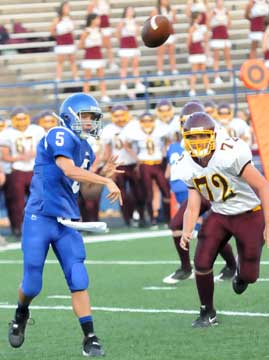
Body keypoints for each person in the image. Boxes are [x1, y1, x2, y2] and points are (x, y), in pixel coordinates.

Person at [8, 93, 123, 356]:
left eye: (93, 118)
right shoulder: (57, 134)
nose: (89, 122)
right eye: (85, 117)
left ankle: (90, 337)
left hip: (66, 220)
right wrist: (104, 180)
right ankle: (21, 313)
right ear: (70, 116)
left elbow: (87, 192)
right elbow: (68, 169)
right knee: (33, 283)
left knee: (78, 277)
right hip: (40, 217)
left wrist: (103, 176)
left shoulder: (86, 149)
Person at [174, 111, 269, 327]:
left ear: (214, 134)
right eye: (192, 138)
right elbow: (193, 204)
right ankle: (207, 311)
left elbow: (263, 186)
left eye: (202, 136)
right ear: (185, 139)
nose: (198, 143)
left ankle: (240, 275)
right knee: (201, 261)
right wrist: (187, 230)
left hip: (249, 213)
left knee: (250, 275)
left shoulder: (229, 153)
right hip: (219, 213)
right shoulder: (186, 163)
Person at [163, 101, 236, 284]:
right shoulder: (183, 141)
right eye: (185, 122)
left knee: (212, 229)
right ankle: (186, 267)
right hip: (198, 189)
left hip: (218, 188)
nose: (188, 126)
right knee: (177, 224)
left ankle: (232, 265)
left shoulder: (219, 135)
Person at [0, 106, 45, 237]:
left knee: (39, 199)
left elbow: (45, 149)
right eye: (17, 119)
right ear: (13, 120)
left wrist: (36, 154)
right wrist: (19, 157)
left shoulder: (37, 130)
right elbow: (4, 156)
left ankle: (39, 226)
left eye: (23, 118)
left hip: (35, 169)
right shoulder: (6, 133)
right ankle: (18, 228)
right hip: (16, 170)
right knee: (16, 202)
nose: (21, 122)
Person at [79, 13, 111, 103]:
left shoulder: (100, 31)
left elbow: (105, 44)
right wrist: (90, 45)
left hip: (98, 55)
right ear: (92, 20)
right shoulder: (86, 31)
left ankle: (104, 95)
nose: (99, 21)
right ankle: (85, 97)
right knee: (87, 78)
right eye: (97, 19)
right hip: (89, 56)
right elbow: (80, 45)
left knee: (101, 77)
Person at [116, 6, 145, 94]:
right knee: (124, 66)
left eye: (132, 10)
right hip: (125, 43)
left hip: (133, 43)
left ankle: (137, 82)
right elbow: (117, 32)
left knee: (135, 65)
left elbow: (137, 34)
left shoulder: (135, 22)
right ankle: (123, 84)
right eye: (128, 10)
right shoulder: (122, 21)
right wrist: (120, 42)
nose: (130, 12)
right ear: (125, 12)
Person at [187, 12, 215, 97]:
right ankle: (192, 90)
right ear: (195, 18)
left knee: (203, 71)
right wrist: (191, 50)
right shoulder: (192, 28)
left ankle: (208, 89)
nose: (200, 19)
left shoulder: (201, 28)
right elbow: (188, 41)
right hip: (194, 51)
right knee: (194, 71)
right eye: (198, 17)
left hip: (200, 50)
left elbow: (206, 39)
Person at [50, 1, 78, 81]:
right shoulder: (58, 19)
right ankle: (58, 77)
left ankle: (75, 76)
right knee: (60, 61)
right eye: (66, 7)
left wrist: (73, 39)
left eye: (68, 7)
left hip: (70, 41)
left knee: (72, 60)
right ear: (62, 9)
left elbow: (72, 31)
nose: (67, 9)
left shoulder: (70, 18)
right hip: (61, 42)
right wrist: (59, 35)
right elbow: (52, 31)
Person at [87, 0, 118, 71]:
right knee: (96, 45)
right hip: (97, 27)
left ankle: (111, 63)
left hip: (106, 26)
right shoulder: (92, 3)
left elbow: (107, 13)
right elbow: (89, 16)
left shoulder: (105, 2)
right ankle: (94, 64)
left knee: (108, 45)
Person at [208, 0, 233, 84]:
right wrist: (214, 29)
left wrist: (224, 27)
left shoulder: (226, 11)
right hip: (216, 35)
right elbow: (207, 23)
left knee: (228, 57)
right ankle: (216, 77)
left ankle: (231, 76)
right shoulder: (213, 11)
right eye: (219, 1)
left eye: (221, 1)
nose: (220, 3)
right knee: (216, 58)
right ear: (216, 2)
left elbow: (229, 23)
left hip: (224, 35)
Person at [151, 0, 178, 75]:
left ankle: (173, 69)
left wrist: (174, 14)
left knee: (172, 53)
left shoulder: (171, 10)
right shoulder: (156, 10)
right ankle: (160, 70)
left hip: (170, 32)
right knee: (160, 53)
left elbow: (175, 21)